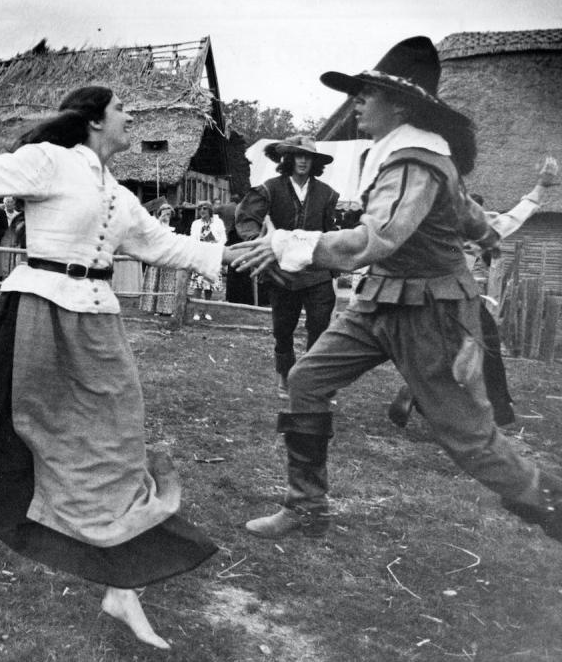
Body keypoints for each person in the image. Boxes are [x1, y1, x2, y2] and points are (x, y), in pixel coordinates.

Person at [0, 86, 247, 650]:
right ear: (97, 121)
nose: (131, 119)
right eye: (123, 112)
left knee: (121, 436)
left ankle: (120, 584)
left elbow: (163, 244)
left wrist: (228, 255)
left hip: (98, 319)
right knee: (2, 415)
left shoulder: (119, 195)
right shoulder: (52, 162)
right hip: (38, 308)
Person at [233, 36, 562, 545]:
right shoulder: (402, 157)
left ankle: (550, 503)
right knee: (306, 381)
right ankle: (307, 507)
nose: (358, 101)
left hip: (432, 312)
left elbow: (378, 237)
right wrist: (511, 217)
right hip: (379, 301)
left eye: (368, 93)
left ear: (401, 105)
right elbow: (479, 224)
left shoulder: (415, 162)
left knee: (469, 439)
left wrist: (287, 243)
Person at [388, 156, 560, 428]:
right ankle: (478, 408)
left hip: (441, 297)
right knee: (472, 347)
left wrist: (540, 188)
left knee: (464, 350)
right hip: (440, 298)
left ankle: (425, 396)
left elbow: (510, 219)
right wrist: (541, 188)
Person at [236, 136, 340, 397]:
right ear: (288, 159)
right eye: (297, 155)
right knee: (283, 330)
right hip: (282, 273)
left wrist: (335, 267)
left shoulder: (327, 194)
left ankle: (312, 381)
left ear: (315, 162)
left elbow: (330, 232)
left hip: (317, 273)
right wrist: (260, 243)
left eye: (308, 156)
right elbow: (246, 222)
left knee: (320, 326)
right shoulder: (269, 189)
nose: (303, 160)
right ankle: (284, 376)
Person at [188, 200, 226, 320]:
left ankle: (207, 310)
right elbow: (192, 238)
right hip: (200, 255)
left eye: (204, 208)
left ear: (210, 210)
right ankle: (196, 312)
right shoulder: (196, 224)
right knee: (198, 285)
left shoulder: (218, 222)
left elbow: (223, 238)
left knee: (209, 286)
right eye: (200, 209)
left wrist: (217, 244)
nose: (202, 211)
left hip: (212, 255)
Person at [138, 202, 178, 314]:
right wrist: (159, 220)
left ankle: (166, 309)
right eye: (164, 214)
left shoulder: (174, 227)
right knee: (154, 283)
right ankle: (153, 308)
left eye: (169, 214)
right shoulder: (155, 225)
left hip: (169, 259)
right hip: (156, 258)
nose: (166, 216)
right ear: (160, 213)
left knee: (167, 284)